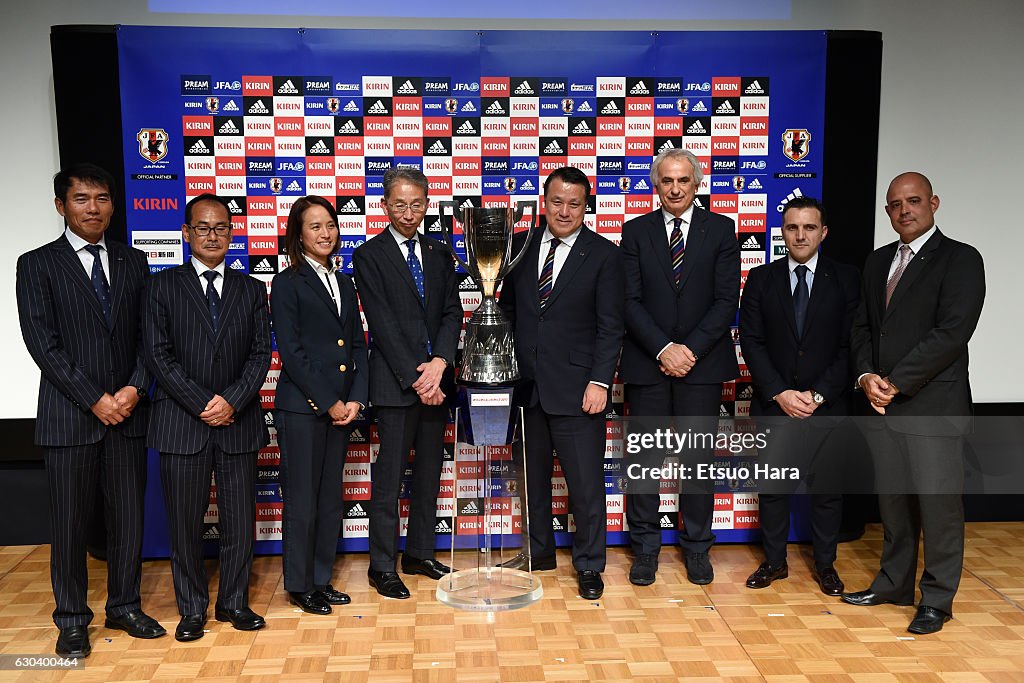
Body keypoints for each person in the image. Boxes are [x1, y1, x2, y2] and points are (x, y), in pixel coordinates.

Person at [16, 163, 164, 658]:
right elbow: (43, 344)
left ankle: (124, 606)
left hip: (128, 415)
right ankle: (72, 619)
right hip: (70, 417)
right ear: (61, 206)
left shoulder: (134, 261)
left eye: (101, 199)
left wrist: (135, 390)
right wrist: (95, 398)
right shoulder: (35, 264)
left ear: (113, 206)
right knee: (70, 525)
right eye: (82, 199)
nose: (93, 208)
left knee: (128, 520)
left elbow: (151, 339)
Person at [842, 172, 985, 634]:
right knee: (894, 506)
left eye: (914, 201)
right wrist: (866, 377)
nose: (904, 210)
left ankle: (937, 600)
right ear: (888, 212)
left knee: (940, 509)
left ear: (934, 203)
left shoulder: (961, 259)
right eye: (895, 204)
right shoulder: (878, 261)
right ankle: (893, 584)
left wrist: (895, 382)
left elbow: (952, 332)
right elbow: (863, 326)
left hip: (932, 406)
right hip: (882, 405)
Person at [144, 193, 271, 641]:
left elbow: (260, 356)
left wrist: (232, 401)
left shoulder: (252, 289)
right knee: (185, 523)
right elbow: (158, 356)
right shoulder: (161, 286)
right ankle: (192, 608)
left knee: (240, 521)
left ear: (232, 234)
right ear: (186, 233)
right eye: (202, 227)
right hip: (182, 422)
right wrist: (202, 403)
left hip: (238, 421)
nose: (212, 235)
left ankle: (234, 602)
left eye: (221, 228)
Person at [498, 166, 625, 600]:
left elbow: (611, 327)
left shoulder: (605, 255)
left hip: (578, 389)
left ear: (586, 206)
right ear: (543, 202)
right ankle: (539, 552)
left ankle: (590, 565)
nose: (564, 211)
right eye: (557, 201)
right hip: (528, 388)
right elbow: (510, 312)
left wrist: (599, 382)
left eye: (574, 203)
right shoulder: (520, 246)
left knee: (586, 486)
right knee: (531, 480)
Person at [619, 148, 740, 586]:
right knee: (645, 461)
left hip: (701, 365)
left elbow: (728, 299)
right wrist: (663, 349)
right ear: (656, 184)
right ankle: (645, 549)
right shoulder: (634, 232)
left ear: (697, 183)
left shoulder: (722, 229)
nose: (675, 188)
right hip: (648, 363)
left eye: (683, 181)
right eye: (667, 180)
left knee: (696, 462)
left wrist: (687, 350)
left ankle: (697, 548)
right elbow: (628, 301)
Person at [738, 196, 859, 595]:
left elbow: (850, 346)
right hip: (776, 405)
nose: (800, 234)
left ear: (823, 233)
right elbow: (752, 342)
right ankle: (775, 562)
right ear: (783, 233)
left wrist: (818, 395)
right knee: (773, 490)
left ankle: (826, 566)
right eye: (792, 227)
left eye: (809, 227)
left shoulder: (846, 279)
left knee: (827, 492)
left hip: (828, 407)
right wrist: (781, 393)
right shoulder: (760, 278)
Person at [352, 167, 462, 599]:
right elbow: (382, 324)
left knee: (430, 475)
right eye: (400, 204)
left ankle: (418, 553)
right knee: (389, 479)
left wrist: (440, 364)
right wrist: (420, 377)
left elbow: (452, 312)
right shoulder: (369, 255)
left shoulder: (438, 252)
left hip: (437, 382)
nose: (409, 212)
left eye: (417, 204)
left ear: (427, 204)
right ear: (384, 205)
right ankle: (383, 565)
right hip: (398, 386)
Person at [271, 196, 367, 615]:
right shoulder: (287, 282)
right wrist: (328, 402)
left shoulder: (343, 282)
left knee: (330, 498)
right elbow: (292, 352)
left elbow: (359, 346)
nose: (325, 233)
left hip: (343, 408)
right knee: (303, 499)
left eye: (330, 225)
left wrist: (356, 398)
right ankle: (299, 583)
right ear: (298, 234)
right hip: (303, 408)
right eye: (315, 227)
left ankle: (321, 578)